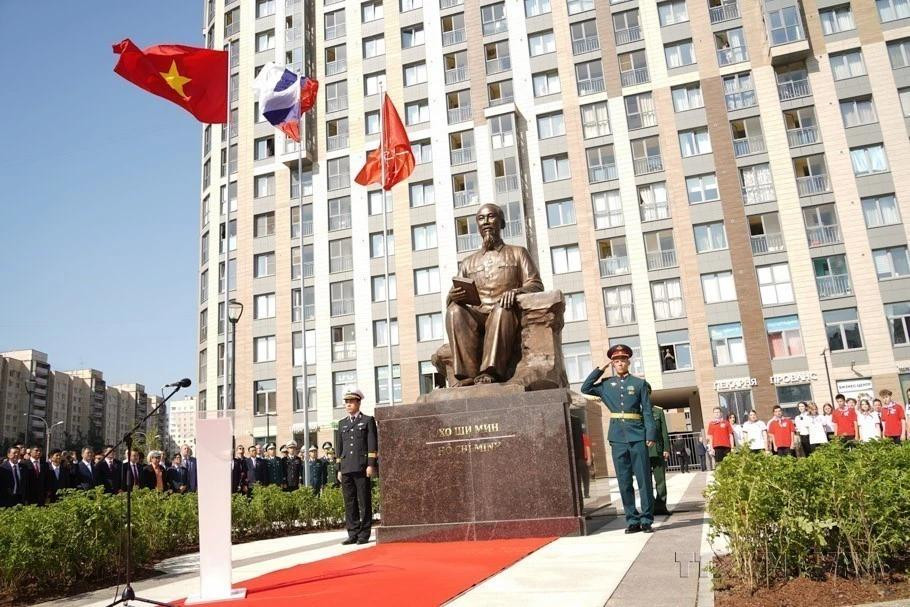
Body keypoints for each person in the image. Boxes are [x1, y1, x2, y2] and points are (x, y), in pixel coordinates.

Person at [445, 203, 544, 386]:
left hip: (505, 312)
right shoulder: (468, 262)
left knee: (501, 309)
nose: (486, 222)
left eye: (491, 217)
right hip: (477, 315)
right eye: (481, 219)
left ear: (502, 222)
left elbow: (536, 284)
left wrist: (516, 292)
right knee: (454, 311)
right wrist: (453, 296)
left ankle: (490, 371)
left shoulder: (517, 252)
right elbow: (455, 292)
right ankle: (467, 374)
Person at [581, 344, 656, 534]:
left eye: (623, 360)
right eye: (616, 361)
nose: (620, 363)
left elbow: (647, 411)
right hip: (617, 438)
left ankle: (646, 519)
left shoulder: (640, 384)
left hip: (638, 436)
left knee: (644, 480)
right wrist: (600, 369)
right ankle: (632, 519)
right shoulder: (606, 385)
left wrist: (650, 434)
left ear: (628, 362)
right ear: (612, 364)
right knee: (624, 481)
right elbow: (585, 387)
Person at [337, 387, 378, 544]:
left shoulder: (367, 421)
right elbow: (339, 447)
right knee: (349, 502)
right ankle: (352, 533)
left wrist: (371, 464)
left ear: (358, 402)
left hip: (361, 467)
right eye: (346, 402)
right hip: (346, 467)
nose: (348, 405)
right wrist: (339, 469)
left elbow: (372, 444)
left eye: (351, 402)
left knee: (364, 501)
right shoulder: (342, 424)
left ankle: (364, 534)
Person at [649, 405, 671, 516]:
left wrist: (666, 448)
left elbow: (664, 431)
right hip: (643, 452)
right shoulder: (636, 411)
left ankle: (661, 506)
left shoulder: (658, 411)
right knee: (646, 482)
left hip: (658, 450)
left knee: (660, 480)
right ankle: (650, 507)